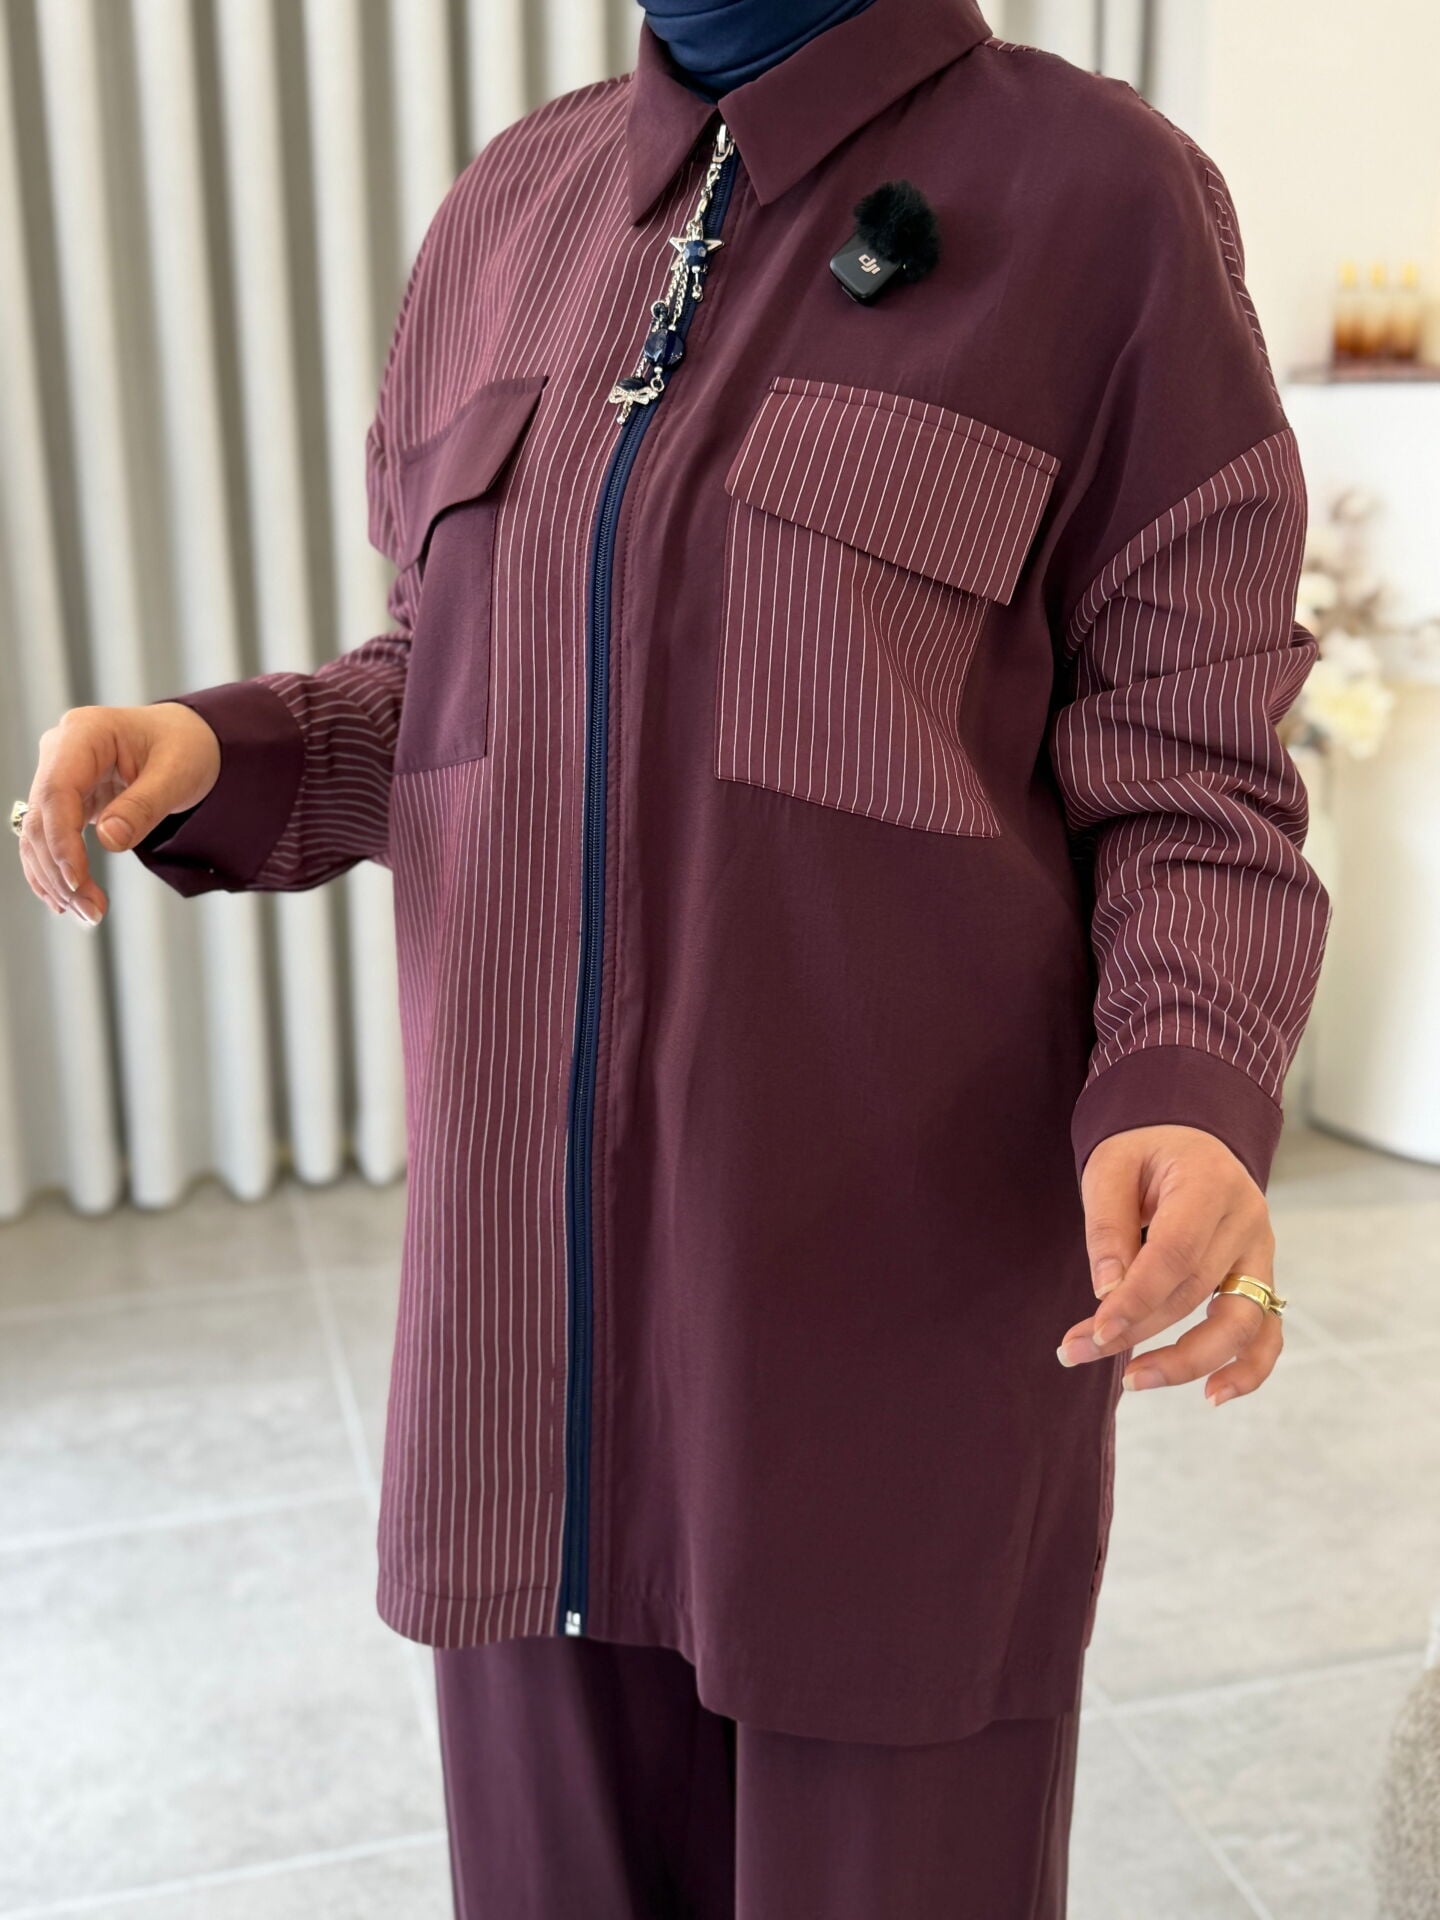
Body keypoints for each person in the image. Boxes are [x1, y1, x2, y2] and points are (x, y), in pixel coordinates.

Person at [13, 0, 1330, 1911]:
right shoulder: (512, 210)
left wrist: (1188, 1082)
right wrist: (230, 749)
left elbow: (1193, 762)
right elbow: (459, 689)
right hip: (516, 1353)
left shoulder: (1100, 201)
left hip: (881, 1354)